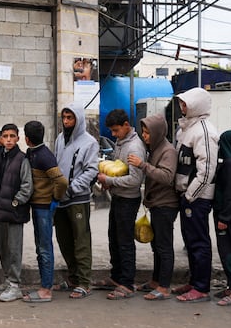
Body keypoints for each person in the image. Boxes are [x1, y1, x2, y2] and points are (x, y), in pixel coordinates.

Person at [172, 87, 218, 303]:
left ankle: (201, 287)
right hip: (186, 195)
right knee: (190, 241)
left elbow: (207, 169)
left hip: (197, 197)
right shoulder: (185, 129)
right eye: (181, 103)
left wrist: (191, 195)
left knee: (199, 241)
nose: (182, 107)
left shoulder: (204, 131)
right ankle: (194, 281)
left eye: (186, 103)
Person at [128, 114, 179, 301]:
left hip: (166, 204)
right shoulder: (155, 148)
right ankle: (156, 281)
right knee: (156, 245)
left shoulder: (168, 151)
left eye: (148, 132)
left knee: (164, 246)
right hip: (156, 203)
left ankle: (164, 287)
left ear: (158, 132)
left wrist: (143, 165)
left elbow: (166, 177)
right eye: (143, 132)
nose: (145, 136)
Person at [96, 109, 145, 300]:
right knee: (114, 238)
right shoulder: (121, 142)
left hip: (128, 199)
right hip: (118, 197)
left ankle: (127, 283)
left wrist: (109, 180)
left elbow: (134, 180)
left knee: (124, 242)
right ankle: (116, 277)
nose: (114, 135)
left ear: (126, 125)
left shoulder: (134, 147)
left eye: (116, 130)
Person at [51, 104, 99, 300]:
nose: (66, 122)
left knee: (81, 241)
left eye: (70, 118)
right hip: (59, 199)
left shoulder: (90, 143)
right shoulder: (60, 139)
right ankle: (72, 277)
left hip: (77, 199)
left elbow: (91, 170)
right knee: (64, 239)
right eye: (64, 118)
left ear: (78, 119)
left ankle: (85, 282)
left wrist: (72, 188)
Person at [21, 121, 68, 303]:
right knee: (40, 247)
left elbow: (62, 182)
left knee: (44, 247)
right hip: (37, 206)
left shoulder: (44, 156)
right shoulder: (33, 153)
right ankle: (44, 284)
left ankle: (46, 290)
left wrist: (55, 199)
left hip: (44, 208)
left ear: (26, 138)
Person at [0, 123, 32, 302]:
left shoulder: (22, 159)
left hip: (14, 211)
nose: (8, 140)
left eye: (12, 136)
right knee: (3, 247)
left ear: (18, 138)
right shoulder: (1, 157)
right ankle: (7, 280)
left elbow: (27, 186)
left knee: (14, 249)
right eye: (5, 136)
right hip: (1, 210)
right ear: (0, 139)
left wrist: (16, 201)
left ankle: (15, 284)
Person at [211, 130, 231, 306]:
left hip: (226, 217)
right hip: (223, 214)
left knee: (229, 253)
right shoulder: (229, 162)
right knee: (226, 252)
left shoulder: (230, 164)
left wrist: (224, 217)